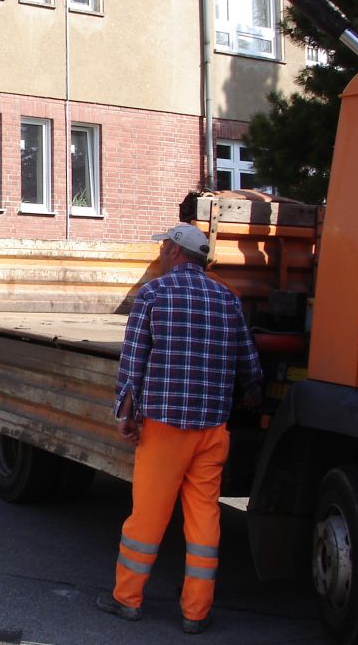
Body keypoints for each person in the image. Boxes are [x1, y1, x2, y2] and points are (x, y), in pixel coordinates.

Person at [95, 223, 263, 634]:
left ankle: (127, 599)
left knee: (148, 517)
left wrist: (125, 414)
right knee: (204, 518)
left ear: (174, 252)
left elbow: (133, 362)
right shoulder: (227, 299)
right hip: (212, 429)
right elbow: (249, 363)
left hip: (165, 428)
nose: (160, 254)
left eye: (163, 247)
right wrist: (252, 395)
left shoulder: (154, 294)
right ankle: (196, 612)